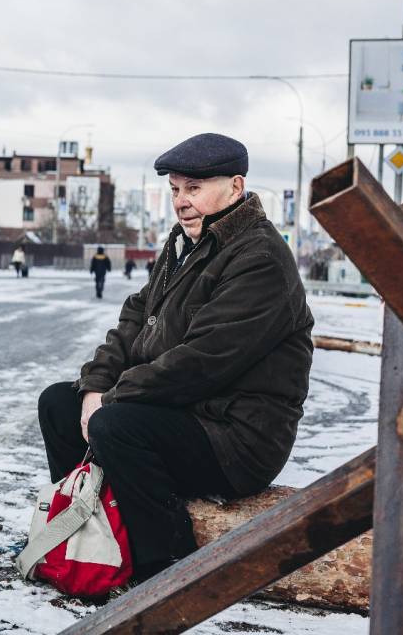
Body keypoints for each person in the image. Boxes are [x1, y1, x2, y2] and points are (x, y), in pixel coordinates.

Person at [37, 132, 313, 582]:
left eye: (194, 188)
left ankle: (164, 567)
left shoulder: (259, 257)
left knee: (115, 424)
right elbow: (135, 319)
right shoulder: (188, 242)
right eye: (175, 190)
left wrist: (112, 400)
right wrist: (95, 386)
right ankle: (93, 532)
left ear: (235, 188)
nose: (181, 201)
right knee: (58, 404)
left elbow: (202, 360)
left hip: (237, 436)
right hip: (185, 413)